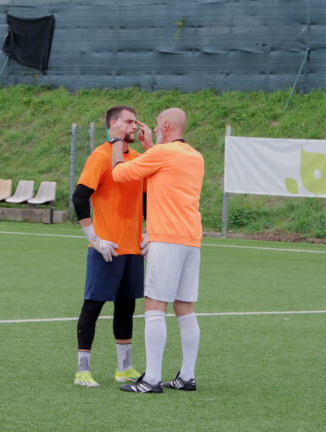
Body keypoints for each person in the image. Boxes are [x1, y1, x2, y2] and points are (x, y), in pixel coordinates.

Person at [109, 107, 205, 394]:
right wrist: (151, 144)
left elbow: (120, 173)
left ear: (164, 125)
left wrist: (116, 141)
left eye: (156, 124)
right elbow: (163, 170)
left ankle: (151, 378)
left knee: (154, 306)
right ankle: (187, 375)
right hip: (191, 240)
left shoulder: (162, 155)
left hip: (167, 239)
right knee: (185, 307)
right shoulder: (195, 157)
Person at [71, 105, 154, 387]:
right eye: (129, 121)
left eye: (135, 120)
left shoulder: (138, 159)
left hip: (133, 249)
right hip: (107, 248)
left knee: (126, 308)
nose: (135, 125)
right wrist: (93, 238)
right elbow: (80, 196)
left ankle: (124, 368)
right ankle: (83, 370)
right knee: (93, 306)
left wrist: (148, 234)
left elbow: (146, 202)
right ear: (113, 125)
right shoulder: (101, 156)